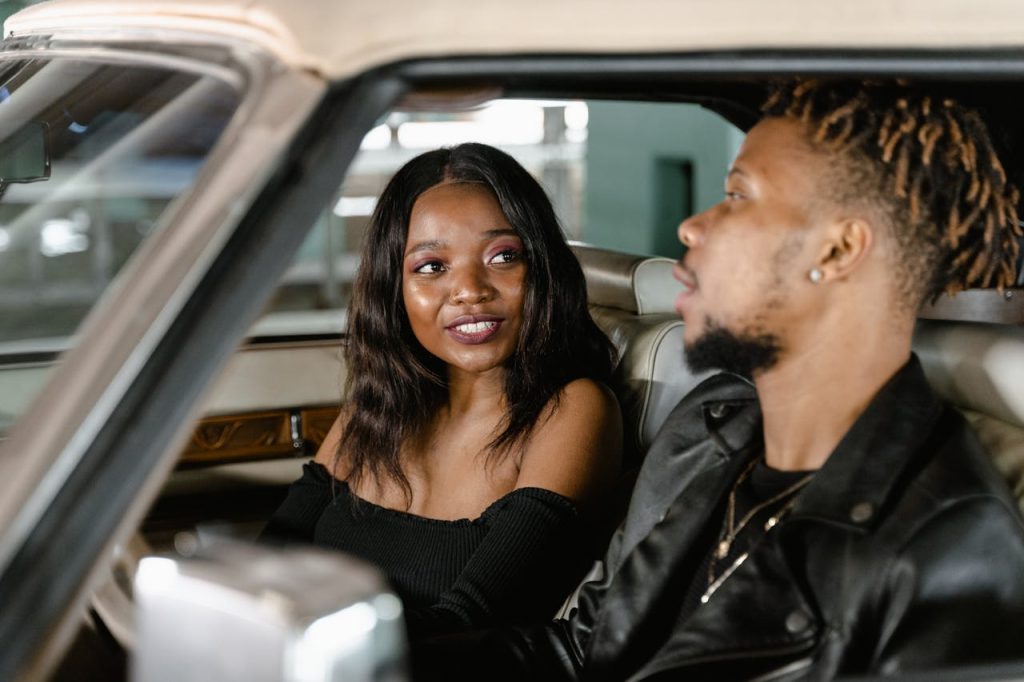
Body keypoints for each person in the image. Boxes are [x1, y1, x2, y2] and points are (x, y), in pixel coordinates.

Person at [413, 81, 1024, 680]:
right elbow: (581, 651)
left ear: (838, 251)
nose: (692, 227)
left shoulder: (949, 547)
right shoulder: (712, 427)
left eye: (737, 197)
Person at [260, 143, 622, 638]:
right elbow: (269, 558)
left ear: (541, 269)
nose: (470, 290)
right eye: (431, 266)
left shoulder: (571, 410)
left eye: (503, 256)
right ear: (395, 287)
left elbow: (469, 631)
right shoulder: (377, 408)